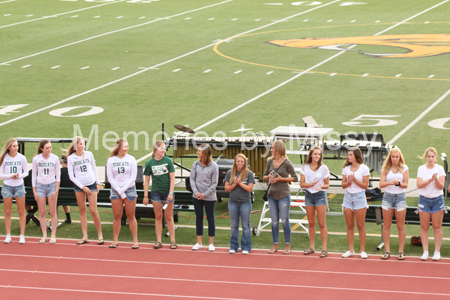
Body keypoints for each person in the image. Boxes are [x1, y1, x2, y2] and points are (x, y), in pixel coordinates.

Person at [263, 140, 298, 254]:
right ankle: (275, 244)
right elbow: (263, 177)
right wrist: (268, 176)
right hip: (272, 195)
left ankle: (287, 245)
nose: (271, 150)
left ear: (279, 149)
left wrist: (281, 179)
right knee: (274, 221)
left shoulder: (287, 162)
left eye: (273, 148)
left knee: (284, 220)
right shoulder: (269, 161)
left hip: (283, 194)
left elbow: (295, 178)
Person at [66, 136, 104, 245]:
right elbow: (71, 177)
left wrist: (97, 182)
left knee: (93, 210)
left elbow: (94, 168)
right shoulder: (71, 158)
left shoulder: (89, 154)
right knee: (82, 210)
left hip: (91, 184)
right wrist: (82, 187)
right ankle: (85, 236)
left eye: (83, 144)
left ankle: (100, 235)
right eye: (80, 144)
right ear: (75, 146)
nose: (82, 146)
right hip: (80, 186)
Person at [143, 140, 176, 249]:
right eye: (161, 148)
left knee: (168, 217)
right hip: (156, 193)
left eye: (164, 148)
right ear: (156, 150)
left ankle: (172, 241)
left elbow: (172, 178)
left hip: (167, 193)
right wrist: (146, 196)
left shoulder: (168, 161)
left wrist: (170, 193)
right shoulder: (149, 163)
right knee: (158, 216)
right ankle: (158, 241)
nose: (164, 150)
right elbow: (147, 180)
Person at [107, 138, 139, 249]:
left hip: (129, 190)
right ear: (119, 147)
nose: (127, 148)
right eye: (125, 146)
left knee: (131, 216)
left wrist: (123, 189)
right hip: (116, 191)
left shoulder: (131, 159)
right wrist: (118, 190)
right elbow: (110, 178)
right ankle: (115, 240)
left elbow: (133, 177)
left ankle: (135, 240)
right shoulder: (111, 160)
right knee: (117, 216)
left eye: (128, 146)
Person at [379, 148, 409, 260]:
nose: (395, 159)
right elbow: (381, 184)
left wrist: (399, 184)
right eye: (393, 157)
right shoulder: (385, 168)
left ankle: (401, 251)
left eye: (397, 157)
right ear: (390, 158)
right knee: (386, 225)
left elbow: (406, 184)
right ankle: (387, 251)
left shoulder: (404, 168)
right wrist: (391, 182)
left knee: (400, 226)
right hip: (387, 197)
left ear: (400, 157)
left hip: (400, 198)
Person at [300, 146, 330, 258]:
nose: (317, 156)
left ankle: (324, 248)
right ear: (311, 155)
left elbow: (327, 185)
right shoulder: (305, 167)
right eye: (315, 154)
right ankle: (311, 247)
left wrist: (322, 186)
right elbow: (301, 184)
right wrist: (311, 185)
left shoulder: (324, 168)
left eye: (319, 154)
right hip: (308, 195)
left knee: (322, 223)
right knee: (311, 223)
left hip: (320, 196)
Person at [416, 147, 446, 261]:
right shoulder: (421, 169)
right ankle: (425, 251)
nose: (430, 158)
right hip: (424, 200)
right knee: (424, 228)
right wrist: (430, 179)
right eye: (428, 156)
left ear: (436, 157)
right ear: (425, 157)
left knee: (437, 227)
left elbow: (441, 187)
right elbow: (419, 185)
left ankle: (437, 252)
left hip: (437, 200)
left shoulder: (440, 169)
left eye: (432, 156)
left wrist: (436, 179)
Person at [341, 148, 370, 259]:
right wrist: (348, 182)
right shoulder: (346, 169)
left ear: (356, 156)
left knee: (361, 226)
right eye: (348, 155)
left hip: (359, 198)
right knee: (349, 225)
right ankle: (351, 250)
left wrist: (354, 180)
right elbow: (343, 185)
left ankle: (362, 251)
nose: (348, 157)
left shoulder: (364, 168)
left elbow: (365, 186)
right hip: (348, 197)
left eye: (350, 155)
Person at [190, 144, 219, 251]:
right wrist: (196, 192)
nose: (197, 152)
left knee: (210, 219)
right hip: (197, 196)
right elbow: (192, 179)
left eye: (199, 151)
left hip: (209, 197)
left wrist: (204, 194)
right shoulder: (196, 164)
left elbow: (214, 183)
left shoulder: (214, 166)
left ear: (205, 153)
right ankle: (199, 242)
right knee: (199, 218)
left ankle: (211, 243)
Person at [224, 154, 255, 254]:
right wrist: (234, 184)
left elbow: (250, 189)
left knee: (246, 225)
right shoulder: (230, 173)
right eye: (238, 161)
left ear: (245, 163)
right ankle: (234, 246)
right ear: (235, 162)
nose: (240, 163)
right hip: (233, 202)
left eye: (242, 161)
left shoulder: (249, 173)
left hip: (245, 203)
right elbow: (227, 188)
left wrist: (240, 183)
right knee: (234, 225)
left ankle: (246, 246)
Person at [32, 139, 61, 244]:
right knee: (42, 212)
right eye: (47, 148)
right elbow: (34, 175)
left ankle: (53, 235)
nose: (49, 149)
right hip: (40, 187)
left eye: (50, 147)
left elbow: (58, 175)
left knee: (53, 212)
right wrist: (34, 191)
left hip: (52, 186)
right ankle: (44, 235)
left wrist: (56, 190)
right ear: (41, 149)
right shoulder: (36, 159)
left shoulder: (55, 158)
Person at [0, 138, 28, 244]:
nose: (17, 148)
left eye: (17, 146)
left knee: (21, 211)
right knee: (7, 212)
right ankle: (8, 235)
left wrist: (18, 176)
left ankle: (22, 235)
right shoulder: (4, 158)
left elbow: (26, 172)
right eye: (14, 146)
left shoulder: (22, 158)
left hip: (19, 186)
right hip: (7, 187)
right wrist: (10, 176)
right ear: (9, 147)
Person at [60, 155, 73, 223]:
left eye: (61, 162)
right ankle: (68, 218)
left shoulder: (59, 171)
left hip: (62, 197)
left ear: (64, 162)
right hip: (75, 197)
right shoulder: (74, 171)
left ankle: (68, 217)